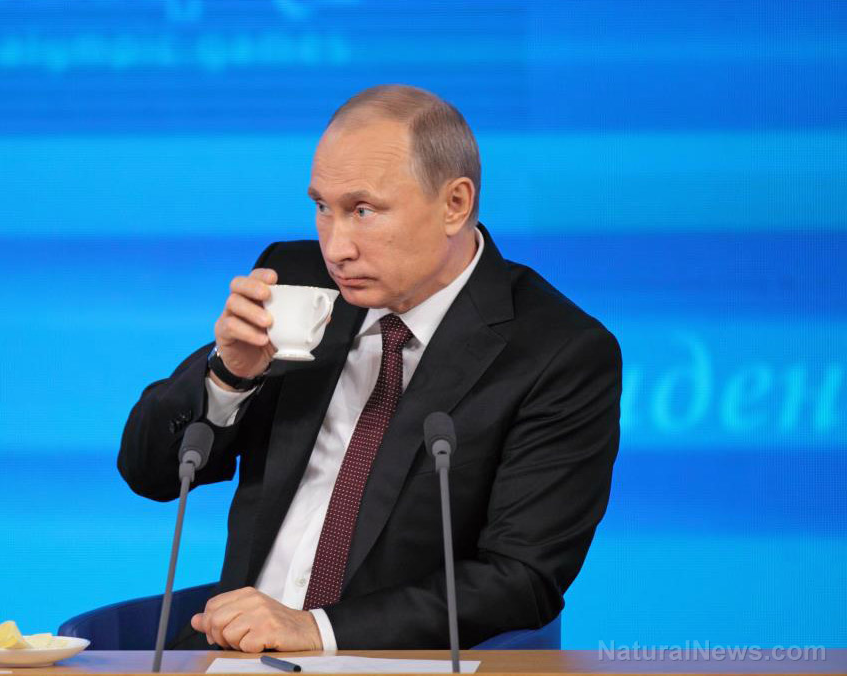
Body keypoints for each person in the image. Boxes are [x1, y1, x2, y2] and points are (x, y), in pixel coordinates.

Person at [118, 85, 621, 653]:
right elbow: (148, 473)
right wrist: (228, 376)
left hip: (389, 659)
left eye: (363, 211)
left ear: (455, 204)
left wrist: (315, 630)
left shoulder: (557, 352)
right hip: (234, 655)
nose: (336, 248)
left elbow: (521, 578)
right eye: (322, 208)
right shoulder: (296, 280)